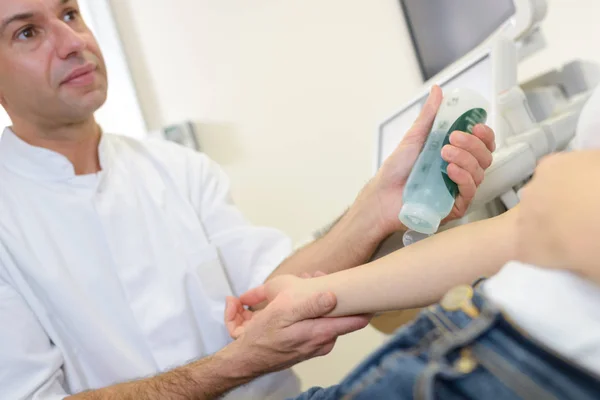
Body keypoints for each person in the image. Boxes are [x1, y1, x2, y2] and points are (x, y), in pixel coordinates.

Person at [0, 0, 496, 399]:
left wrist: (378, 208)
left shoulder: (175, 169)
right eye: (27, 32)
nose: (73, 43)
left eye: (69, 14)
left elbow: (272, 290)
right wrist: (240, 362)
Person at [229, 87, 600, 399]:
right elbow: (513, 234)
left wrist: (560, 190)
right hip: (469, 340)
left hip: (532, 369)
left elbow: (549, 216)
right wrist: (310, 295)